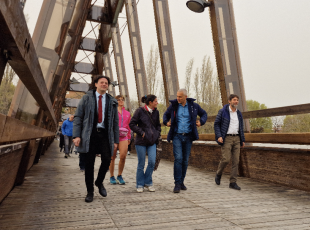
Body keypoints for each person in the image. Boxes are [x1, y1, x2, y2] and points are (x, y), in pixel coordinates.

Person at [73, 75, 119, 203]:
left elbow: (115, 123)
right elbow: (78, 117)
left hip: (105, 135)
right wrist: (77, 135)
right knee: (89, 164)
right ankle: (90, 192)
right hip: (89, 134)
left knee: (106, 159)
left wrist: (116, 141)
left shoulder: (112, 101)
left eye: (106, 83)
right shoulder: (87, 98)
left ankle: (99, 182)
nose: (104, 84)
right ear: (96, 84)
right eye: (101, 82)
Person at [163, 89, 207, 193]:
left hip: (188, 137)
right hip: (177, 136)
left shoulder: (194, 106)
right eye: (177, 96)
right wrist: (166, 122)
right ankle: (177, 183)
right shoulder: (174, 106)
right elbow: (165, 115)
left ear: (185, 97)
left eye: (180, 97)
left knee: (185, 160)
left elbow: (204, 114)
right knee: (178, 158)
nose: (178, 98)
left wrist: (201, 121)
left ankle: (182, 181)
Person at [129, 95, 161, 193]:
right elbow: (132, 124)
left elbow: (158, 125)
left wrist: (157, 134)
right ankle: (139, 184)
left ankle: (148, 182)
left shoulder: (156, 112)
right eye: (156, 101)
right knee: (141, 164)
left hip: (152, 141)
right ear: (150, 102)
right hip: (141, 142)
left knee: (152, 162)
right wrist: (141, 132)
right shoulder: (140, 111)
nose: (157, 103)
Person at [214, 94, 245, 190]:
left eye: (237, 100)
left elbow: (241, 127)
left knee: (236, 161)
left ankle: (233, 182)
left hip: (237, 139)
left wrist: (242, 140)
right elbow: (216, 124)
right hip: (226, 138)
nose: (236, 102)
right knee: (226, 159)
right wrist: (219, 136)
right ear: (229, 101)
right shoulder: (223, 111)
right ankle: (218, 173)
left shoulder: (239, 113)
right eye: (234, 100)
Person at [109, 95, 131, 185]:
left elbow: (129, 126)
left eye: (122, 100)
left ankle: (119, 175)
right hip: (114, 136)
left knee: (123, 156)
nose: (121, 101)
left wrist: (129, 137)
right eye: (119, 100)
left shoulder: (127, 113)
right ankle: (111, 176)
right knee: (112, 157)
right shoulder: (112, 112)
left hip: (124, 137)